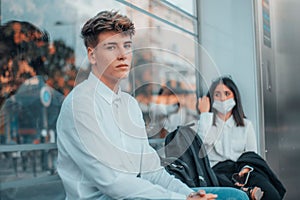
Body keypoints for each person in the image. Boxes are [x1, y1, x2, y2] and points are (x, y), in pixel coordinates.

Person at [56, 11, 249, 199]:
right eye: (111, 47)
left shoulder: (129, 105)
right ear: (92, 55)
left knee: (235, 196)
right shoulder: (80, 105)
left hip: (136, 194)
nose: (123, 55)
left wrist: (189, 194)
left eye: (127, 45)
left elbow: (152, 172)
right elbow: (113, 182)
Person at [197, 76, 286, 200]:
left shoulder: (246, 125)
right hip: (217, 171)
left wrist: (245, 170)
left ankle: (248, 189)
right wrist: (204, 114)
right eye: (217, 94)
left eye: (227, 94)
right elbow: (201, 144)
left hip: (241, 169)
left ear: (235, 96)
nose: (222, 98)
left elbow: (251, 154)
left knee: (270, 192)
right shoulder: (205, 123)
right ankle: (247, 191)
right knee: (224, 186)